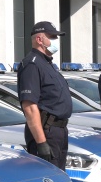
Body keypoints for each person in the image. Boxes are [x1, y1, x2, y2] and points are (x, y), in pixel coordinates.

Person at [17, 21, 71, 170]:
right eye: (52, 37)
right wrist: (41, 142)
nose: (56, 41)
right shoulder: (32, 65)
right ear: (40, 40)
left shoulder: (47, 64)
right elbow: (29, 107)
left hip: (58, 131)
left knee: (60, 180)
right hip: (46, 131)